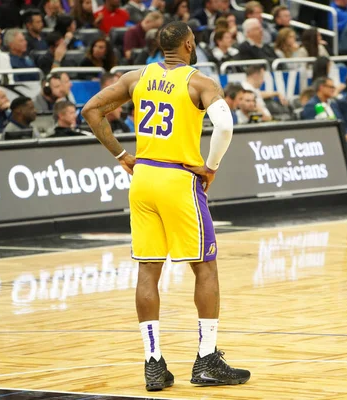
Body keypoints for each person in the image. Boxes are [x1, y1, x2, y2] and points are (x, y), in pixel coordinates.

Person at [81, 20, 251, 390]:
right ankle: (207, 360)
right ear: (189, 44)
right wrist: (211, 166)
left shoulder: (136, 76)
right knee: (205, 268)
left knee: (148, 270)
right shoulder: (200, 82)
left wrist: (122, 155)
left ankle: (153, 363)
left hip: (142, 180)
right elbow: (224, 126)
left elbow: (91, 111)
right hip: (179, 180)